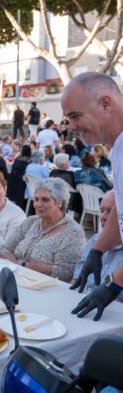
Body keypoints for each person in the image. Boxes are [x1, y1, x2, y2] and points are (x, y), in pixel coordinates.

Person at [61, 72, 123, 321]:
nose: (71, 127)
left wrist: (114, 284)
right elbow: (121, 210)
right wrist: (97, 250)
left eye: (75, 116)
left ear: (106, 103)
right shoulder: (117, 148)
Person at [1, 178, 85, 282]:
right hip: (16, 278)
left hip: (46, 286)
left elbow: (66, 272)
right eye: (36, 199)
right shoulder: (31, 221)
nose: (38, 204)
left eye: (45, 200)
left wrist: (25, 266)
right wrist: (15, 267)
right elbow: (6, 249)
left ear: (59, 202)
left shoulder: (74, 232)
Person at [72, 190, 123, 301]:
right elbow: (76, 280)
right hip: (83, 300)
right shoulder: (94, 240)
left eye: (110, 212)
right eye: (102, 210)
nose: (103, 217)